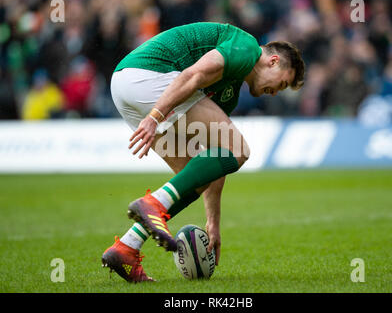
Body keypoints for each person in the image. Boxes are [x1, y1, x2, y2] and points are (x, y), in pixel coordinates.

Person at [102, 22, 305, 282]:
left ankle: (126, 247)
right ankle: (151, 203)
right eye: (282, 83)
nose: (276, 93)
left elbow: (215, 157)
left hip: (126, 86)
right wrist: (155, 117)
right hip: (149, 76)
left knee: (193, 178)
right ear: (273, 61)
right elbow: (192, 76)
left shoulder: (229, 91)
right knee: (240, 149)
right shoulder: (246, 49)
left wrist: (213, 223)